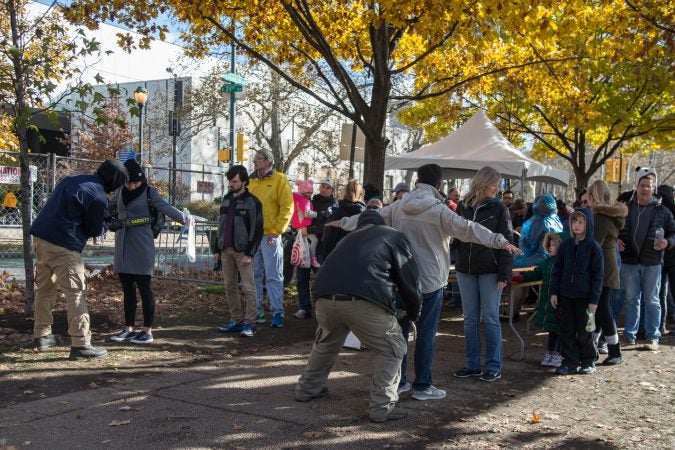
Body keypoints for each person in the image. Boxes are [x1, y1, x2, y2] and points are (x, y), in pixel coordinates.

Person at [335, 164, 521, 400]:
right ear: (439, 185)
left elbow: (370, 217)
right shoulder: (439, 210)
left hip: (403, 277)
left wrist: (343, 223)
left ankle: (399, 381)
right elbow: (469, 229)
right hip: (432, 281)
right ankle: (422, 385)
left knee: (399, 332)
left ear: (416, 182)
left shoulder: (400, 205)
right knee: (426, 333)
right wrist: (499, 240)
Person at [295, 210, 422, 423]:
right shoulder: (392, 235)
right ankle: (383, 406)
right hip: (364, 300)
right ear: (380, 223)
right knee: (392, 347)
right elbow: (408, 278)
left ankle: (306, 389)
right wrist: (413, 310)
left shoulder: (346, 240)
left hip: (324, 299)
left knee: (326, 343)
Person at [31, 160, 128, 360]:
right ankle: (81, 344)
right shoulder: (99, 197)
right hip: (64, 245)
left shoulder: (72, 178)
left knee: (44, 290)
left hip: (40, 238)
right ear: (114, 182)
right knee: (75, 292)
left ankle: (42, 335)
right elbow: (93, 229)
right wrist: (108, 225)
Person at [108, 159, 188, 345]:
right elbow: (108, 206)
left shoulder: (150, 192)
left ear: (141, 179)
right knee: (127, 289)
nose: (132, 186)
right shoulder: (120, 191)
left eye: (135, 182)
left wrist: (185, 219)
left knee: (144, 288)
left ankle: (147, 330)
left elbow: (165, 207)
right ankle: (128, 328)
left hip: (142, 244)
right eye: (128, 182)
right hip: (123, 244)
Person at [452, 166, 514, 382]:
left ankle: (493, 365)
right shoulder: (463, 206)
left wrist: (504, 275)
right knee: (469, 319)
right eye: (494, 184)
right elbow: (456, 236)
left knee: (490, 318)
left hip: (490, 270)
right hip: (465, 269)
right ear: (483, 183)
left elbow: (506, 240)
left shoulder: (500, 209)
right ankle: (472, 364)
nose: (497, 189)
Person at [618, 167, 675, 350]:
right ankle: (630, 335)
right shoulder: (625, 209)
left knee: (652, 300)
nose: (645, 189)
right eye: (642, 185)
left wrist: (668, 241)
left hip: (653, 262)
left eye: (648, 186)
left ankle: (653, 336)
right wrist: (616, 241)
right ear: (637, 186)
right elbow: (614, 232)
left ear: (654, 188)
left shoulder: (663, 211)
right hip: (630, 261)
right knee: (631, 299)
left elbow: (674, 232)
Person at [211, 165, 264, 337]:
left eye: (234, 181)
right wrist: (216, 249)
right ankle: (236, 319)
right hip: (225, 250)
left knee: (249, 288)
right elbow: (220, 225)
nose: (231, 184)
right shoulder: (226, 199)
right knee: (229, 286)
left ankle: (250, 323)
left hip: (243, 251)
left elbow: (257, 228)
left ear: (244, 182)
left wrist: (250, 253)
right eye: (230, 181)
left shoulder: (252, 202)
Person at [550, 209, 604, 375]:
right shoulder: (566, 246)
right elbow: (557, 269)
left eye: (581, 222)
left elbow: (598, 276)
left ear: (588, 224)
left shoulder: (594, 247)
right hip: (566, 296)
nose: (577, 225)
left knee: (586, 330)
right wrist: (554, 292)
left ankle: (588, 360)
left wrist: (594, 300)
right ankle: (570, 362)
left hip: (585, 297)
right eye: (574, 222)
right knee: (567, 330)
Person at [248, 148, 294, 328]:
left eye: (258, 159)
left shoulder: (280, 180)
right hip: (253, 236)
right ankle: (257, 309)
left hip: (270, 235)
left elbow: (287, 207)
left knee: (273, 274)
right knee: (254, 274)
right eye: (255, 159)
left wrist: (277, 230)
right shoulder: (250, 180)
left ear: (269, 161)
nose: (255, 161)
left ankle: (277, 311)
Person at [587, 179, 628, 364]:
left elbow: (595, 244)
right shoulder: (609, 215)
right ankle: (594, 347)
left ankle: (615, 351)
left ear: (593, 196)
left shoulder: (601, 216)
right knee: (598, 309)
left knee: (602, 310)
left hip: (602, 267)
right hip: (607, 265)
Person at [514, 232, 568, 368]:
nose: (551, 248)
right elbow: (536, 272)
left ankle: (559, 353)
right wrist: (521, 276)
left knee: (561, 331)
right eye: (550, 245)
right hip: (548, 303)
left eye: (555, 245)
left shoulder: (566, 264)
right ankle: (550, 352)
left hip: (561, 304)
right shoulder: (547, 262)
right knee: (551, 331)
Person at [294, 178, 338, 319]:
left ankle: (323, 308)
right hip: (304, 244)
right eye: (323, 186)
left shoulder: (334, 206)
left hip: (321, 248)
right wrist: (297, 226)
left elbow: (328, 226)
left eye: (328, 187)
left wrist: (310, 229)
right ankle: (304, 307)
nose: (324, 189)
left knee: (321, 279)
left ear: (332, 190)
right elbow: (299, 215)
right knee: (301, 278)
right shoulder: (310, 201)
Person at [321, 180, 366, 257]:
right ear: (360, 194)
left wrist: (326, 258)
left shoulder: (338, 212)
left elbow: (330, 238)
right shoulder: (364, 214)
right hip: (358, 255)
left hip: (339, 255)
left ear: (345, 192)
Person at [291, 179, 321, 268]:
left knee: (304, 243)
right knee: (314, 240)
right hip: (302, 226)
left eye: (311, 193)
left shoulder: (296, 199)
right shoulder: (304, 201)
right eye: (308, 193)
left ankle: (305, 258)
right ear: (303, 192)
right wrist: (317, 214)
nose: (310, 195)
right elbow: (307, 213)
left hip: (298, 225)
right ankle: (312, 258)